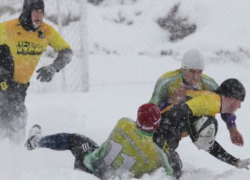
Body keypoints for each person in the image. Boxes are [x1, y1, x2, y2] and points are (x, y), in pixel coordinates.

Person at [25, 103, 174, 179]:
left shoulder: (124, 123)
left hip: (88, 167)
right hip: (108, 176)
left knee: (74, 139)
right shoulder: (157, 156)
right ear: (157, 124)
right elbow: (169, 174)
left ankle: (36, 141)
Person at [0, 0, 73, 143]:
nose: (38, 16)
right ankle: (15, 155)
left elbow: (67, 52)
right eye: (34, 12)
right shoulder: (7, 28)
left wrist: (53, 67)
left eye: (41, 12)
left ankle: (8, 158)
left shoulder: (46, 32)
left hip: (20, 87)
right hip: (3, 82)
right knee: (18, 116)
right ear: (27, 12)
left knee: (8, 122)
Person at [153, 78, 250, 178]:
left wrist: (235, 162)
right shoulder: (211, 102)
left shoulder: (213, 104)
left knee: (174, 166)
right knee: (171, 170)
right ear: (232, 99)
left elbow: (207, 144)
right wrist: (193, 134)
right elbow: (178, 112)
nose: (239, 107)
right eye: (240, 102)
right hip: (159, 130)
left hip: (162, 130)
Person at [149, 49, 244, 148]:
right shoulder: (166, 81)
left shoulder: (209, 84)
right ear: (183, 69)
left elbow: (224, 105)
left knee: (208, 121)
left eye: (199, 72)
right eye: (192, 72)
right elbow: (150, 111)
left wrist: (232, 129)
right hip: (168, 123)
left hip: (188, 122)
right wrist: (171, 101)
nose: (196, 77)